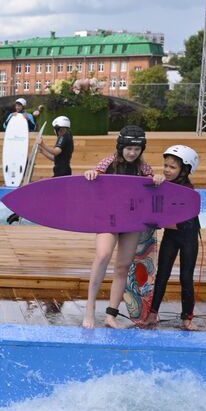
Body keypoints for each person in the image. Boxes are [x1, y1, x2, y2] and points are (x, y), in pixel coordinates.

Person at [81, 125, 164, 329]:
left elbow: (151, 193)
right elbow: (95, 178)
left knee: (123, 266)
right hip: (108, 218)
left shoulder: (144, 169)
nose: (132, 153)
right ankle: (89, 309)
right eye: (128, 148)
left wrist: (158, 179)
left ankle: (111, 315)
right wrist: (91, 173)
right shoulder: (108, 163)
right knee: (102, 255)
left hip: (131, 220)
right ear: (120, 147)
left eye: (136, 149)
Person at [141, 145, 201, 330]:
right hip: (171, 235)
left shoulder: (188, 190)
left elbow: (180, 220)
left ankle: (187, 317)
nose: (167, 170)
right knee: (162, 274)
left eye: (172, 167)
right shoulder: (164, 184)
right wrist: (155, 179)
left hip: (188, 234)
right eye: (165, 165)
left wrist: (156, 223)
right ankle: (152, 313)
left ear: (185, 169)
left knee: (185, 276)